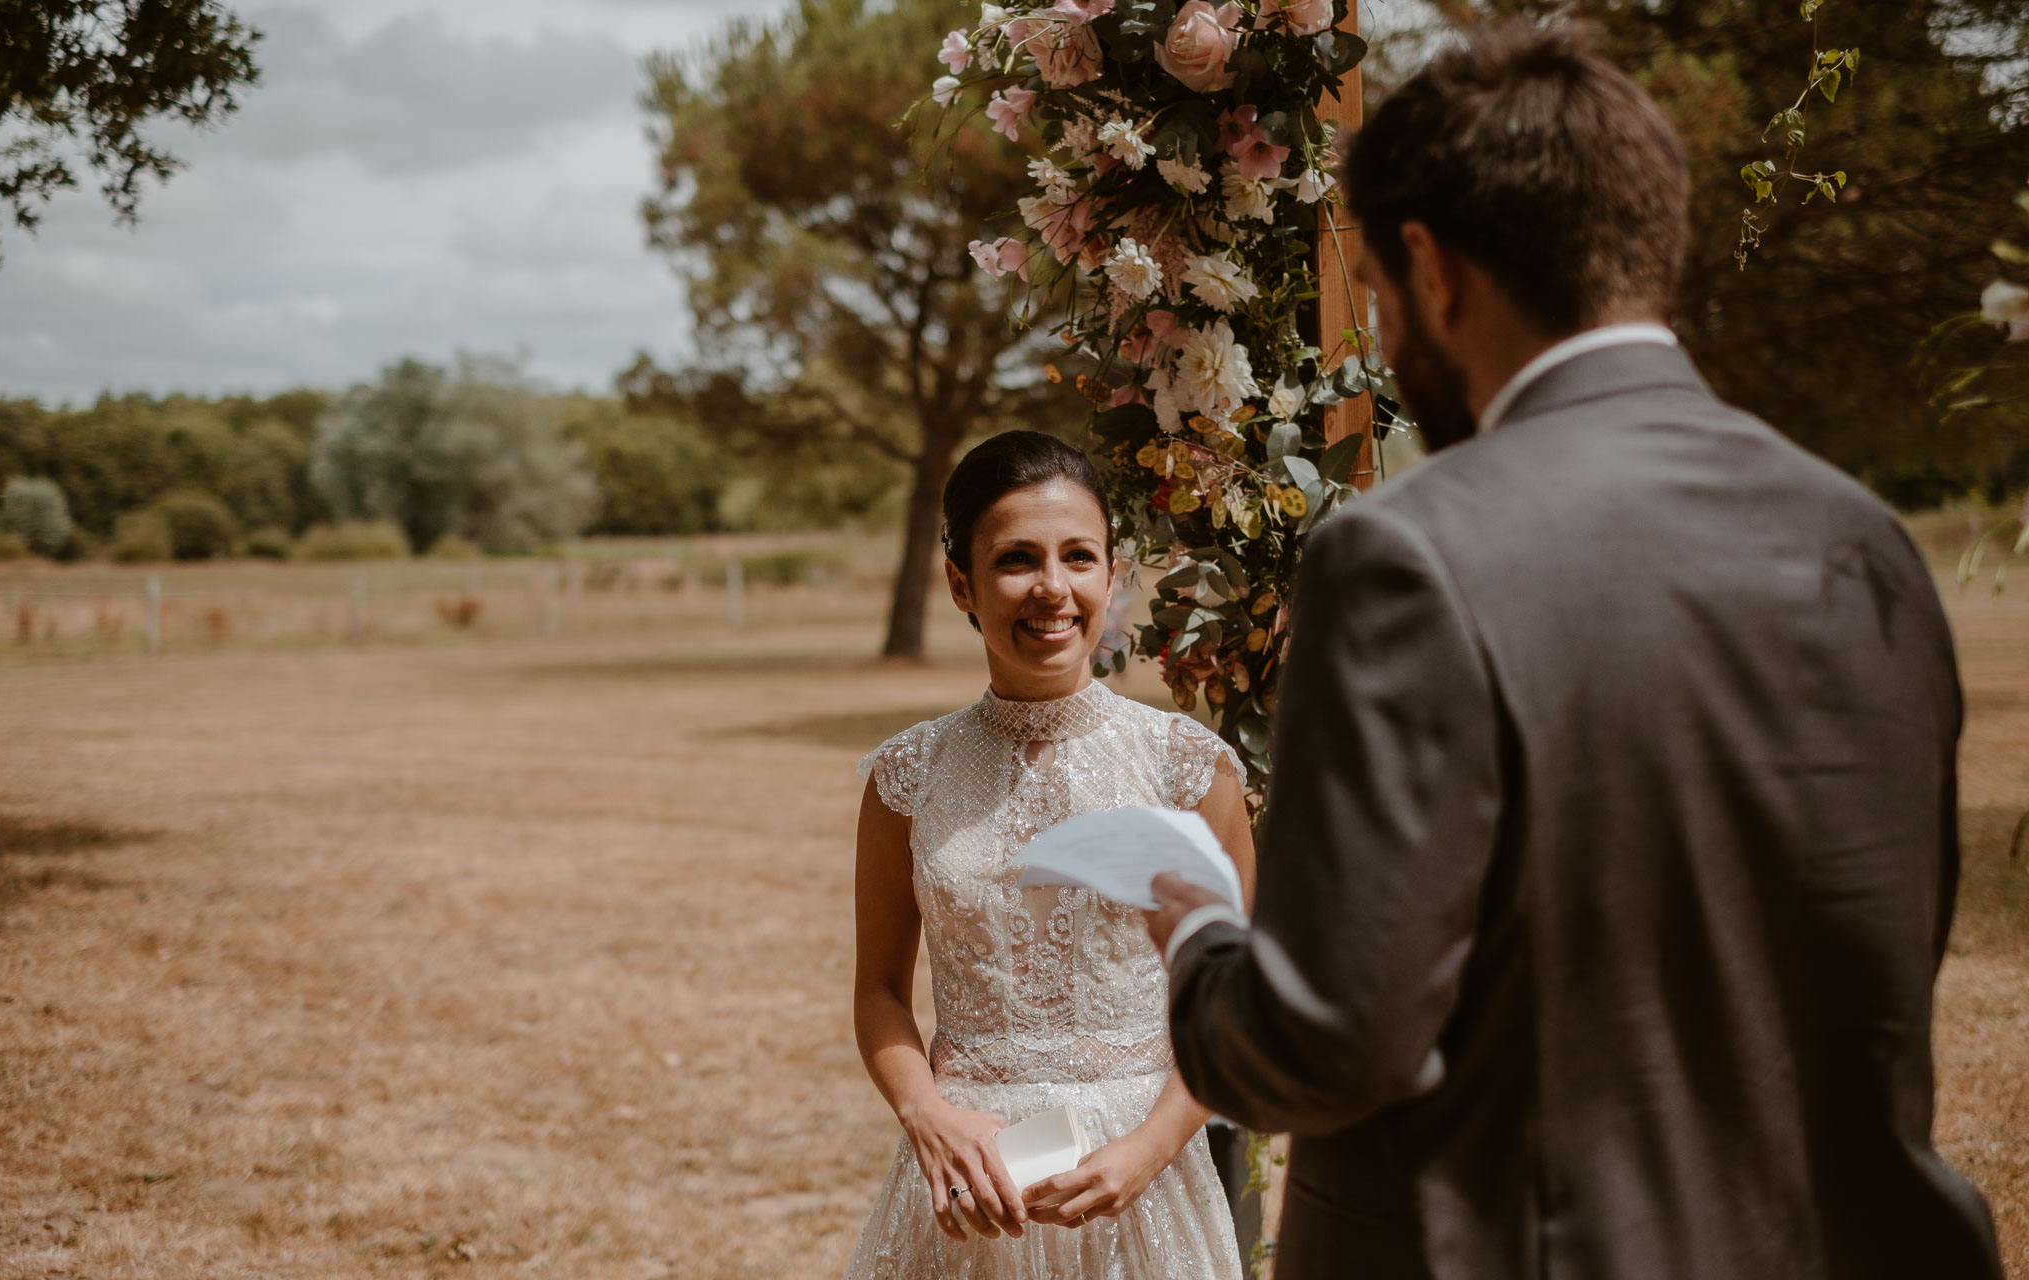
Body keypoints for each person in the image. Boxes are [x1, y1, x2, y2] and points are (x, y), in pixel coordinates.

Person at [1144, 22, 2005, 1280]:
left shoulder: (1405, 557)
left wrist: (1199, 937)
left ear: (1430, 270)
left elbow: (1329, 1040)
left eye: (1376, 293)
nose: (1385, 334)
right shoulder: (1863, 536)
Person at [843, 430, 1252, 1279]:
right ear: (962, 582)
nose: (1053, 589)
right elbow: (880, 988)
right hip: (969, 1187)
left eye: (1079, 556)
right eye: (1017, 560)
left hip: (1145, 1185)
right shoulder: (905, 778)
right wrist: (926, 1115)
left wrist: (1149, 1149)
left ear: (1112, 574)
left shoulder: (1187, 769)